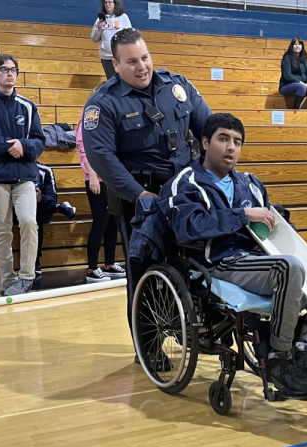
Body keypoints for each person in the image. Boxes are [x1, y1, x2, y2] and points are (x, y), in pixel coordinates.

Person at [158, 113, 307, 398]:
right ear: (204, 142)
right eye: (223, 139)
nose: (231, 147)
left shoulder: (250, 183)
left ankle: (306, 346)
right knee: (289, 268)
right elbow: (189, 228)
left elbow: (272, 228)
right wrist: (241, 215)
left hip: (261, 260)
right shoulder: (185, 183)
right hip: (220, 263)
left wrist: (282, 224)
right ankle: (280, 356)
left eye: (237, 142)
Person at [83, 28, 211, 332]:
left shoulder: (177, 86)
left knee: (190, 264)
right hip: (140, 200)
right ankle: (149, 347)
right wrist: (138, 194)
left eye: (145, 57)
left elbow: (209, 127)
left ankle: (187, 331)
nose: (142, 67)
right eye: (131, 62)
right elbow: (100, 156)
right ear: (115, 65)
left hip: (184, 194)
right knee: (144, 271)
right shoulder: (104, 102)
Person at [0, 53, 45, 296]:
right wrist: (8, 145)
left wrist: (24, 146)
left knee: (28, 222)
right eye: (3, 69)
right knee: (2, 228)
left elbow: (39, 141)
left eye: (13, 69)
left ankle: (26, 277)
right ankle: (8, 280)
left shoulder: (28, 105)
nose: (9, 73)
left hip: (24, 174)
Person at [77, 124, 121, 284]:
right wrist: (92, 175)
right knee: (100, 222)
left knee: (112, 222)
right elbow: (82, 146)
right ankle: (92, 268)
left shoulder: (109, 115)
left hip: (112, 178)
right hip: (97, 178)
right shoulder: (88, 116)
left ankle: (109, 263)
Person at [32, 162, 77, 287]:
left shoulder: (45, 171)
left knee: (35, 220)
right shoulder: (13, 169)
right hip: (16, 209)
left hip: (39, 211)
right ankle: (59, 208)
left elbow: (52, 197)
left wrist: (40, 199)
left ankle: (35, 262)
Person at [279, 37, 307, 110]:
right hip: (287, 85)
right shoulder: (287, 57)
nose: (297, 46)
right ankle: (295, 110)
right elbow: (287, 75)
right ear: (291, 46)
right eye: (295, 44)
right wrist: (301, 83)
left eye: (299, 44)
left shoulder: (305, 57)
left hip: (304, 85)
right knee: (301, 87)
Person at [90, 0, 131, 79]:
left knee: (124, 80)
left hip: (120, 56)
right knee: (111, 81)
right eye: (105, 3)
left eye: (110, 2)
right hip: (106, 57)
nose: (107, 4)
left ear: (115, 3)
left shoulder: (123, 17)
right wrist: (99, 28)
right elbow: (94, 39)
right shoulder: (100, 20)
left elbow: (130, 36)